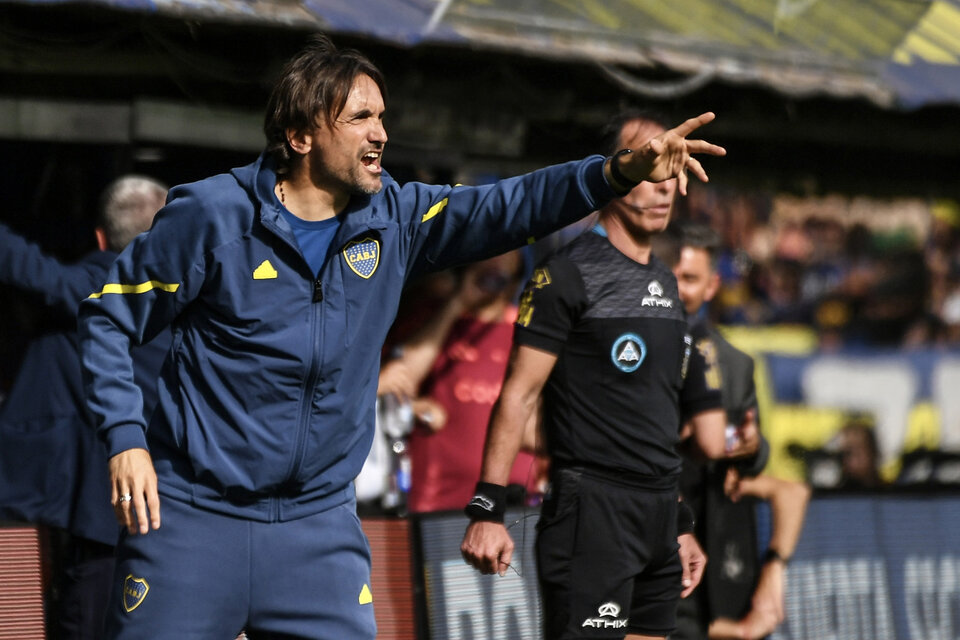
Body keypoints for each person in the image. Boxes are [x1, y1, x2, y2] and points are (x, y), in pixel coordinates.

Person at [76, 35, 726, 639]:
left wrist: (615, 172)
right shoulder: (214, 217)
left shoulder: (396, 219)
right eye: (360, 118)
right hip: (193, 518)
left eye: (381, 117)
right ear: (301, 135)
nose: (381, 134)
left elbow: (512, 205)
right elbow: (107, 318)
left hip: (317, 530)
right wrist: (125, 439)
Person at [460, 109, 750, 640]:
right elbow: (518, 396)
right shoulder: (566, 275)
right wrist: (488, 508)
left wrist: (680, 524)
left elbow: (657, 421)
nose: (663, 184)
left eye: (671, 169)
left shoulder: (666, 284)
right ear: (613, 172)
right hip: (591, 515)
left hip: (658, 521)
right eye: (648, 164)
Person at [0, 175, 168, 640]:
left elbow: (27, 268)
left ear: (100, 238)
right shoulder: (196, 306)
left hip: (104, 523)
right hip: (179, 513)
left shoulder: (99, 290)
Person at [665, 222, 811, 640]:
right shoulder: (629, 346)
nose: (678, 288)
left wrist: (745, 447)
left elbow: (754, 452)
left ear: (711, 287)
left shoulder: (734, 364)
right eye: (671, 275)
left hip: (712, 536)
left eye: (690, 279)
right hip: (647, 532)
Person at [378, 250, 543, 513]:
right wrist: (457, 303)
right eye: (491, 248)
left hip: (511, 502)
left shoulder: (531, 332)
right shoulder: (430, 318)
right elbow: (399, 376)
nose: (495, 259)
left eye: (508, 249)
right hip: (438, 502)